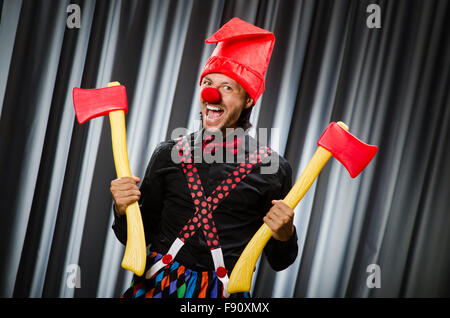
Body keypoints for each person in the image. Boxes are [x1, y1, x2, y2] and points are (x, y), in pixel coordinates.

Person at [110, 17, 298, 298]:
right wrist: (122, 210)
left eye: (228, 87)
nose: (213, 94)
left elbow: (280, 260)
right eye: (209, 83)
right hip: (157, 288)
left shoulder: (274, 169)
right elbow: (136, 236)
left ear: (248, 100)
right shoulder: (167, 154)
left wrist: (285, 234)